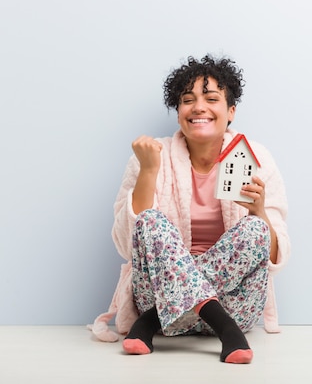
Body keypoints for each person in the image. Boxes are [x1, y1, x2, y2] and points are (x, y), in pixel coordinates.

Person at [89, 54, 290, 364]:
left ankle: (151, 322)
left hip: (234, 305)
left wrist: (259, 211)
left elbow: (276, 256)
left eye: (211, 98)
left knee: (256, 228)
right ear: (178, 110)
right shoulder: (152, 155)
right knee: (150, 221)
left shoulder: (256, 157)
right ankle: (224, 330)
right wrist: (148, 171)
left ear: (230, 111)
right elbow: (126, 243)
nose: (199, 107)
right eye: (187, 99)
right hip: (158, 292)